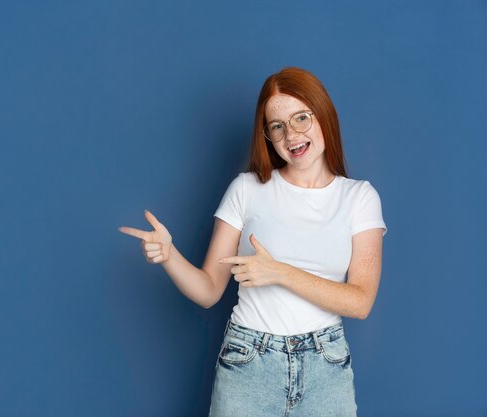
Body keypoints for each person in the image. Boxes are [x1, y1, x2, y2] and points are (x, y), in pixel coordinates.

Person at [118, 66, 387, 417]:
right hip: (249, 362)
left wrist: (278, 272)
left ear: (323, 116)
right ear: (269, 137)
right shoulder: (247, 189)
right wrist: (169, 255)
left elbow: (360, 301)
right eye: (278, 126)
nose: (292, 134)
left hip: (326, 366)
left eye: (301, 118)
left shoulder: (359, 198)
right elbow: (209, 289)